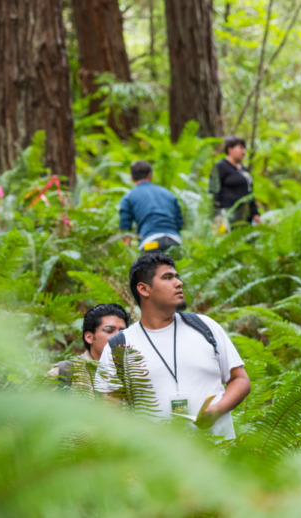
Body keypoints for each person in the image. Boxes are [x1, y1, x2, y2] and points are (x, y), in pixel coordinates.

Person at [95, 253, 251, 439]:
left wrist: (217, 410)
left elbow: (240, 380)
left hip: (218, 458)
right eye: (168, 277)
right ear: (144, 289)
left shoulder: (205, 327)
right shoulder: (119, 346)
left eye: (177, 277)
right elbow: (108, 411)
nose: (178, 283)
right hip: (157, 462)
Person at [48, 304, 130, 385]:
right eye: (109, 330)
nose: (118, 336)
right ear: (89, 337)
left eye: (122, 332)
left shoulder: (134, 375)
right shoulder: (65, 372)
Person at [118, 160, 184, 253]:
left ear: (132, 178)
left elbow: (125, 232)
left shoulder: (128, 198)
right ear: (150, 175)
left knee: (151, 266)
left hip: (150, 243)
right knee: (175, 267)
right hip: (174, 241)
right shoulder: (168, 193)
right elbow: (179, 223)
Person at [209, 135, 261, 228]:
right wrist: (217, 214)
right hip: (229, 215)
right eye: (241, 148)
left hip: (245, 216)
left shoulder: (243, 169)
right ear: (230, 149)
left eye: (244, 148)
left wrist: (255, 213)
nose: (244, 151)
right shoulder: (220, 167)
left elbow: (250, 192)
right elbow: (214, 192)